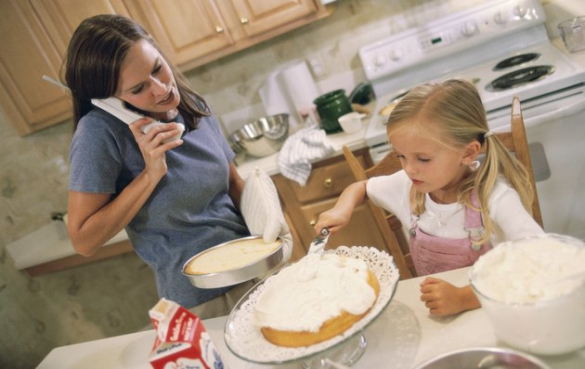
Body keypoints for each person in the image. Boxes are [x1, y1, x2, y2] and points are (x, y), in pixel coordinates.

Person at [64, 14, 273, 318]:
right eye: (138, 89)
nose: (162, 89)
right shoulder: (99, 133)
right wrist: (151, 173)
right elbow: (83, 240)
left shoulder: (193, 105)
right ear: (110, 99)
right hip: (202, 301)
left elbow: (232, 185)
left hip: (256, 269)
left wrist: (271, 234)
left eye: (158, 68)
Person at [315, 79, 544, 317]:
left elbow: (539, 256)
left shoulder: (495, 198)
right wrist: (341, 209)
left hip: (497, 315)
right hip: (438, 318)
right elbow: (361, 187)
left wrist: (464, 297)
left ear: (468, 152)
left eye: (423, 159)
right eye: (401, 156)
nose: (409, 169)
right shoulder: (409, 186)